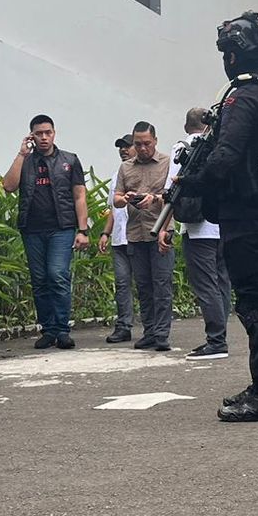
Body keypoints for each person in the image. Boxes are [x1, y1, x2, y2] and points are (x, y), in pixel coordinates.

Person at [177, 10, 258, 422]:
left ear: (235, 54)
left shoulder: (244, 96)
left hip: (250, 213)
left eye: (226, 50)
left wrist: (194, 185)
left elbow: (226, 155)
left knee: (256, 302)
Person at [2, 114, 91, 350]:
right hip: (32, 229)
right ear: (32, 135)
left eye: (47, 132)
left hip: (61, 228)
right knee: (40, 281)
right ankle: (48, 330)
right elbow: (9, 186)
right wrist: (22, 154)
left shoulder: (69, 160)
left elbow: (79, 195)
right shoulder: (26, 161)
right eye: (39, 133)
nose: (44, 137)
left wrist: (83, 230)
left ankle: (62, 330)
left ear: (54, 133)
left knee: (57, 275)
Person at [167, 108, 231, 361]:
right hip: (223, 223)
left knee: (205, 285)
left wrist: (164, 227)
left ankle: (216, 340)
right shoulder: (221, 147)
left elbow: (172, 186)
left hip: (197, 228)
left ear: (186, 126)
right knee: (222, 281)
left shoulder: (184, 147)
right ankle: (221, 334)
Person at [113, 121, 174, 352]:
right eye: (138, 144)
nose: (142, 148)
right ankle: (149, 331)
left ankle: (161, 334)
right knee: (144, 286)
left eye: (147, 143)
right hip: (135, 234)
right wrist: (127, 198)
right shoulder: (126, 167)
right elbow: (116, 199)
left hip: (160, 231)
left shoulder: (168, 163)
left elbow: (174, 196)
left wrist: (154, 198)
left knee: (162, 285)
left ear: (155, 141)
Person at [101, 134, 137, 343]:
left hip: (139, 237)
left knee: (146, 284)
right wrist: (105, 233)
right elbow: (113, 210)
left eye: (127, 146)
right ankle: (123, 326)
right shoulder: (116, 176)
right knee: (122, 284)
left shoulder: (144, 172)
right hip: (119, 240)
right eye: (121, 148)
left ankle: (155, 327)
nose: (124, 150)